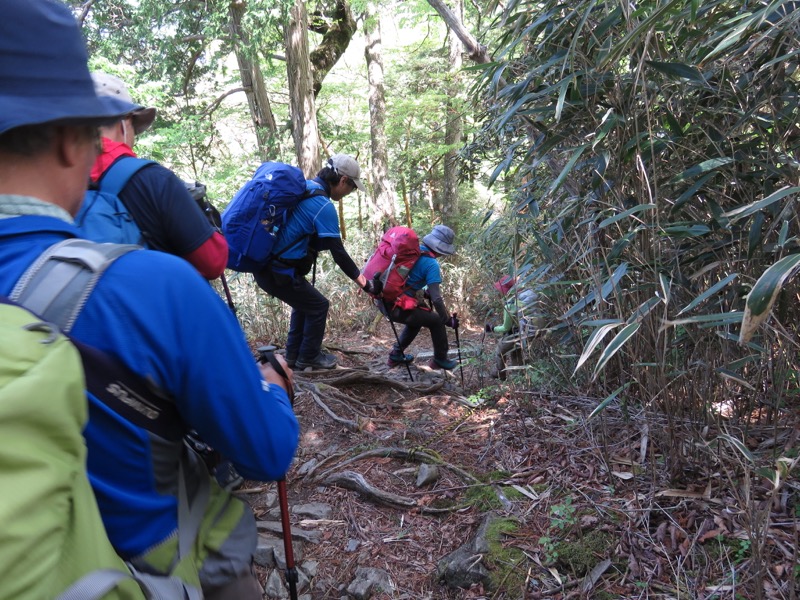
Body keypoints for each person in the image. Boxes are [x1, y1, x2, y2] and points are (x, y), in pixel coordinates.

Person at [0, 2, 298, 598]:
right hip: (158, 568)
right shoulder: (153, 288)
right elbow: (266, 451)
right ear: (67, 138)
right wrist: (271, 387)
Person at [89, 71, 228, 280]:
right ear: (124, 121)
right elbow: (213, 262)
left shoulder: (59, 182)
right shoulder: (153, 180)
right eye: (134, 126)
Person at [254, 154, 373, 370]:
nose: (350, 193)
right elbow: (338, 252)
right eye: (353, 187)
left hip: (267, 266)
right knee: (319, 306)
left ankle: (293, 356)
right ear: (343, 180)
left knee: (305, 304)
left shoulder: (305, 188)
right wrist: (363, 282)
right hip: (279, 271)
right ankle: (309, 357)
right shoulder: (322, 205)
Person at [382, 225, 459, 370]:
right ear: (441, 249)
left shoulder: (413, 253)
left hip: (384, 300)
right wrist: (447, 319)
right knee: (436, 320)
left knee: (417, 319)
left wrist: (423, 293)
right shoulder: (432, 264)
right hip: (396, 306)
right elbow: (436, 299)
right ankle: (440, 359)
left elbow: (408, 280)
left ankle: (396, 355)